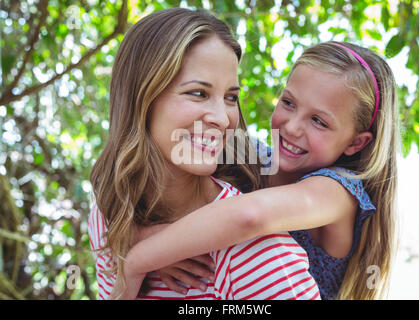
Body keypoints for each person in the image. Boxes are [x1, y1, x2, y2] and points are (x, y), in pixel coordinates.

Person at [123, 41, 400, 300]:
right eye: (289, 103)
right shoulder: (250, 156)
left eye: (318, 121)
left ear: (356, 142)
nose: (291, 127)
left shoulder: (339, 192)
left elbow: (250, 215)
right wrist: (142, 232)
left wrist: (140, 257)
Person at [88, 8, 320, 300]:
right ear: (142, 96)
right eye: (198, 93)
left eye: (231, 98)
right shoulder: (110, 215)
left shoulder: (253, 249)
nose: (222, 119)